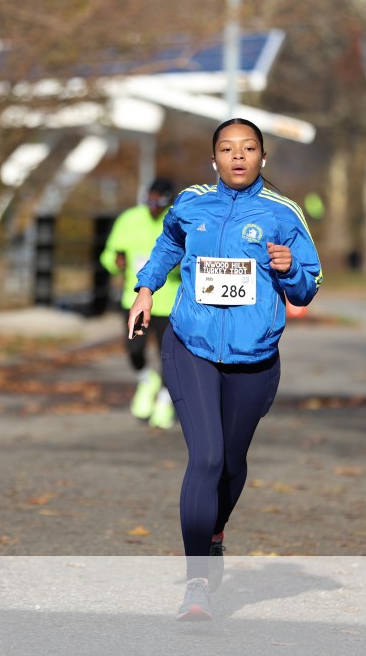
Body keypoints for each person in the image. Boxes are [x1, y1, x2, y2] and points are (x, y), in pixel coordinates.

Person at [128, 118, 323, 621]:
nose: (238, 156)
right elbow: (168, 244)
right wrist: (146, 288)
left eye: (249, 148)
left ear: (263, 157)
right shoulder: (191, 203)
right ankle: (197, 584)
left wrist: (290, 270)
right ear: (213, 158)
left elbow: (308, 286)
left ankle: (214, 533)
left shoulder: (283, 213)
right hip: (189, 346)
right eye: (227, 148)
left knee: (232, 464)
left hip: (253, 357)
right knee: (208, 458)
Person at [99, 178, 181, 429]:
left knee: (169, 357)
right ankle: (146, 379)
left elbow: (191, 260)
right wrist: (115, 262)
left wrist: (178, 267)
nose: (153, 206)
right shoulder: (129, 219)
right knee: (134, 349)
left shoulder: (178, 220)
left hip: (169, 301)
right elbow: (108, 255)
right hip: (134, 299)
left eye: (159, 202)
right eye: (149, 200)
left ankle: (165, 399)